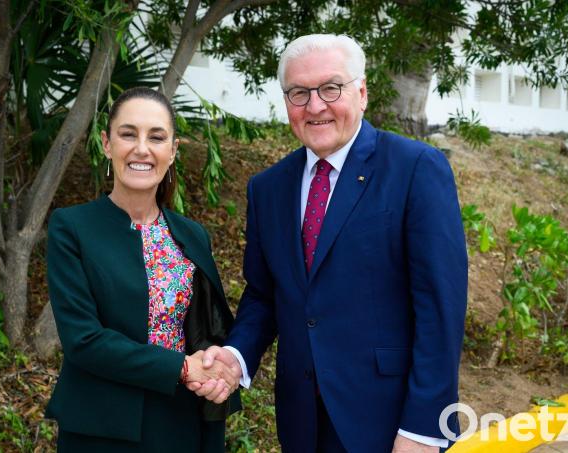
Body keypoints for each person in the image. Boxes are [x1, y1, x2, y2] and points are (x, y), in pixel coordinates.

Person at [190, 34, 468, 452]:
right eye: (299, 93)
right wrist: (236, 356)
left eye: (330, 88)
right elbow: (266, 295)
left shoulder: (415, 169)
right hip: (302, 420)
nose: (315, 106)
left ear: (362, 92)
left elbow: (440, 309)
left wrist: (425, 429)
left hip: (390, 423)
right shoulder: (268, 188)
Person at [44, 87, 241, 452]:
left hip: (183, 418)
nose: (141, 148)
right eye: (128, 133)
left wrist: (217, 366)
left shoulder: (191, 234)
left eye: (156, 137)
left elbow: (207, 327)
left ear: (173, 150)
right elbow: (83, 340)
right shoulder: (72, 227)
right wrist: (182, 367)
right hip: (104, 425)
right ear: (106, 143)